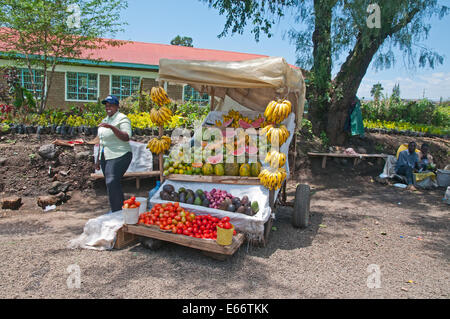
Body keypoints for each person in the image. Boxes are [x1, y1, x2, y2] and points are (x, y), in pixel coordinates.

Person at [95, 95, 133, 213]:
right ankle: (119, 209)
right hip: (106, 155)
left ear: (117, 106)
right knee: (112, 183)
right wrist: (97, 159)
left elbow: (126, 137)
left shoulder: (122, 118)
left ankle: (117, 211)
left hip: (121, 154)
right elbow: (101, 141)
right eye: (106, 106)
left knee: (112, 181)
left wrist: (112, 128)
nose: (108, 108)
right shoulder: (105, 120)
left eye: (111, 105)